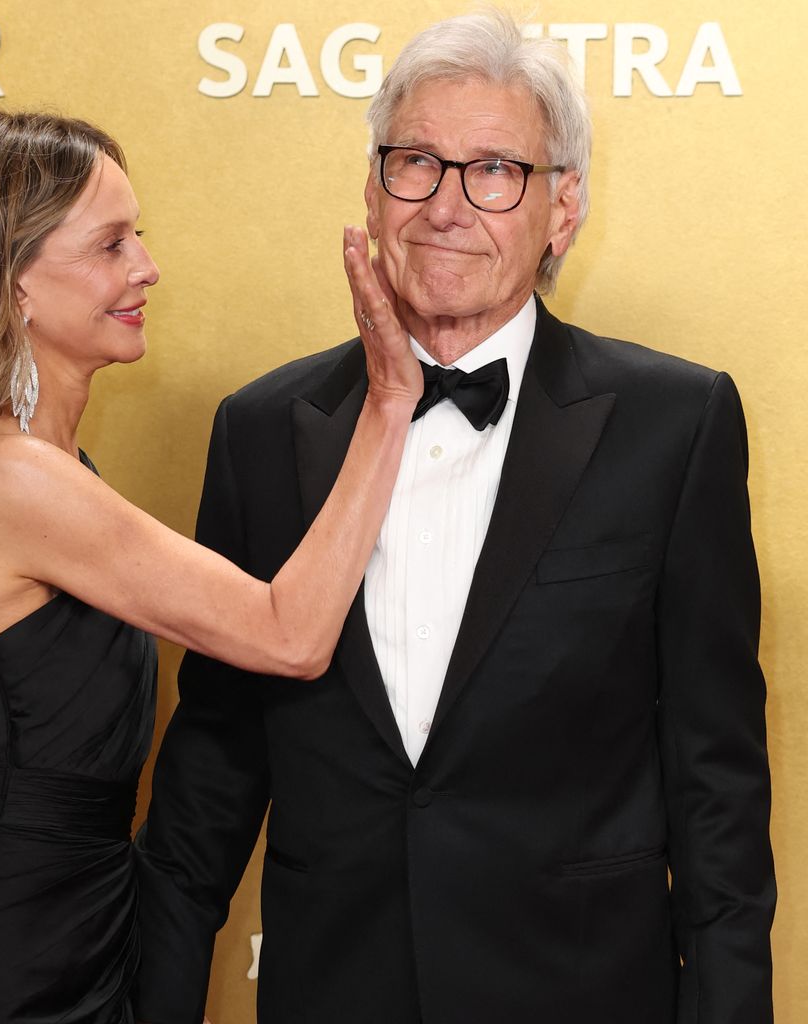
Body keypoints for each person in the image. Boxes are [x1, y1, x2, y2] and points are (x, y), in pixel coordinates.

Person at [134, 10, 775, 1024]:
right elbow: (212, 768)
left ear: (560, 209)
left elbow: (717, 784)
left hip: (581, 994)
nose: (445, 204)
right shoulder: (262, 429)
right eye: (416, 163)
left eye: (493, 171)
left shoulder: (675, 424)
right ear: (371, 188)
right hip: (334, 990)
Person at [0, 109, 419, 1023]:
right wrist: (390, 401)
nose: (145, 268)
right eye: (110, 244)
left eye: (137, 237)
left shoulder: (41, 470)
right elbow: (289, 633)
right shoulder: (8, 480)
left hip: (74, 940)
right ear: (11, 282)